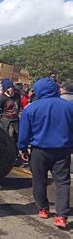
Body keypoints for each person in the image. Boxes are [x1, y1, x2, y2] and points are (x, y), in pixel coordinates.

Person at [18, 77, 73, 230]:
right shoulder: (69, 107)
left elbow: (24, 133)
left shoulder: (31, 108)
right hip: (62, 151)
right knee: (62, 182)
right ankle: (61, 216)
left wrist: (23, 148)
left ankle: (43, 209)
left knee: (39, 180)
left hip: (39, 151)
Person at [0, 78, 22, 143]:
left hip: (15, 120)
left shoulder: (17, 96)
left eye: (11, 87)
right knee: (6, 137)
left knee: (17, 136)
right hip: (5, 120)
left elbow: (19, 106)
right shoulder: (1, 98)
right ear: (5, 89)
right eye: (8, 88)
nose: (11, 89)